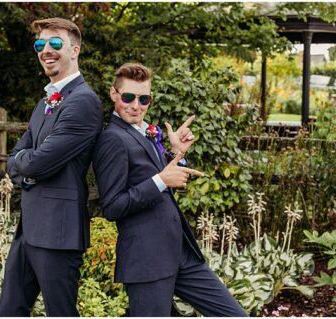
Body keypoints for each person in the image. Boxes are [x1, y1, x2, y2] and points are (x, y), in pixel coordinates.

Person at [93, 63, 247, 316]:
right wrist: (161, 180)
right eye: (128, 97)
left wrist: (177, 154)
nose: (136, 105)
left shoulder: (145, 133)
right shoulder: (112, 138)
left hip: (180, 253)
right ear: (114, 94)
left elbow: (162, 181)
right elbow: (112, 206)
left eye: (144, 99)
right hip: (147, 261)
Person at [0, 17, 103, 316]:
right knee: (10, 310)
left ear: (75, 51)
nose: (47, 49)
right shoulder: (47, 100)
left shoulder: (83, 102)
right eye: (40, 44)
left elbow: (38, 161)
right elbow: (17, 156)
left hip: (59, 233)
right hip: (30, 229)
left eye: (56, 43)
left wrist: (25, 166)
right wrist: (24, 166)